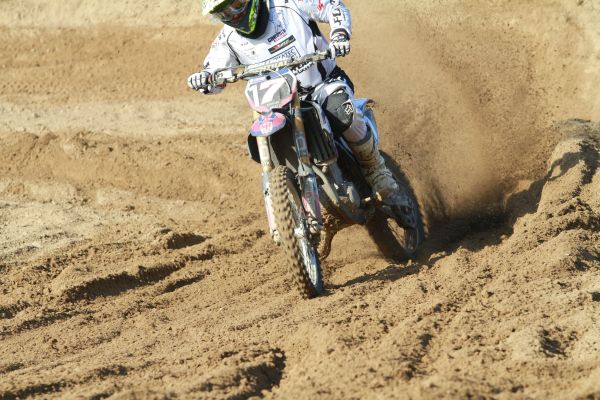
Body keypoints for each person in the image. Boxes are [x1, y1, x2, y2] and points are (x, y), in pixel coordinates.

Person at [187, 0, 400, 201]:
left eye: (234, 5)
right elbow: (213, 72)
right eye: (222, 13)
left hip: (321, 85)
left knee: (343, 114)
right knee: (268, 137)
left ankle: (375, 168)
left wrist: (339, 35)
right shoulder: (227, 39)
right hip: (278, 105)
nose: (232, 15)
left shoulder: (288, 4)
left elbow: (332, 6)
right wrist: (204, 79)